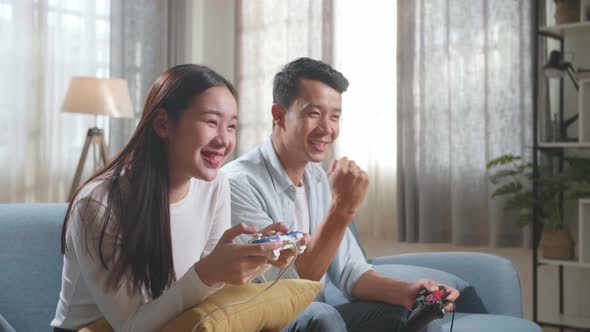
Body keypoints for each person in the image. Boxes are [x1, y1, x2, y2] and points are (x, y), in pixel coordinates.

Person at [51, 64, 296, 332]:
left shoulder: (216, 186)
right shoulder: (98, 204)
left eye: (232, 126)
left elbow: (206, 294)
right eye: (211, 122)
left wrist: (255, 257)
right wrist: (208, 272)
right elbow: (132, 325)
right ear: (163, 124)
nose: (224, 140)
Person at [222, 58, 460, 331]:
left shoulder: (317, 178)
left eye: (334, 116)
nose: (327, 128)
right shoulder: (236, 184)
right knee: (324, 315)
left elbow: (350, 272)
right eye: (313, 114)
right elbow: (290, 287)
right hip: (266, 318)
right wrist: (343, 208)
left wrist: (408, 292)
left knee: (417, 318)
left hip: (315, 315)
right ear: (278, 114)